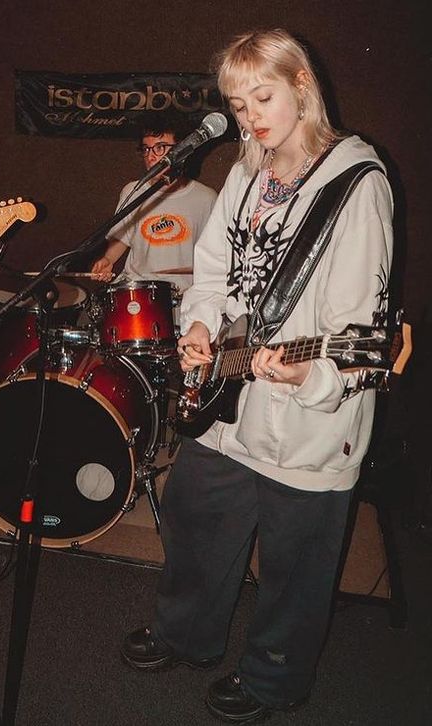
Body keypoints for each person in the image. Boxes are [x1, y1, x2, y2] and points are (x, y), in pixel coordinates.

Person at [119, 30, 394, 722]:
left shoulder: (357, 183)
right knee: (195, 515)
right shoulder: (247, 171)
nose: (250, 118)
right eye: (238, 105)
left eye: (261, 97)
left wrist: (311, 378)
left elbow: (361, 327)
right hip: (229, 397)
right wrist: (203, 325)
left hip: (309, 419)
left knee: (296, 564)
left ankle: (274, 677)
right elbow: (213, 272)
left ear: (302, 82)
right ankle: (188, 633)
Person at [90, 112, 217, 293]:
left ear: (183, 149)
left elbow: (215, 254)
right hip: (138, 291)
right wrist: (108, 260)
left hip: (184, 296)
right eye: (146, 149)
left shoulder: (206, 198)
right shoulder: (132, 191)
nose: (150, 157)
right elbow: (122, 237)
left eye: (160, 147)